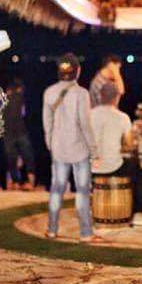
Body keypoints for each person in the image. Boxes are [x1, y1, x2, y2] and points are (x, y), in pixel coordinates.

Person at [43, 53, 103, 242]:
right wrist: (94, 151)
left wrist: (51, 144)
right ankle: (85, 233)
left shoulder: (49, 92)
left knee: (57, 189)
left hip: (58, 148)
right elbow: (84, 124)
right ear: (78, 71)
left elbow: (47, 123)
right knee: (83, 191)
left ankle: (52, 229)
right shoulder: (81, 93)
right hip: (79, 149)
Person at [91, 82, 134, 177]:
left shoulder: (88, 115)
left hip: (90, 169)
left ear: (101, 96)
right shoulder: (123, 117)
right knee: (137, 167)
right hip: (113, 168)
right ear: (117, 98)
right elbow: (129, 144)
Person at [3, 77, 37, 190]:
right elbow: (24, 113)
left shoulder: (14, 97)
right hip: (14, 131)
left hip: (14, 131)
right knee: (20, 156)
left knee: (18, 156)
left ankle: (22, 182)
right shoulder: (16, 97)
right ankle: (21, 182)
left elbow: (24, 112)